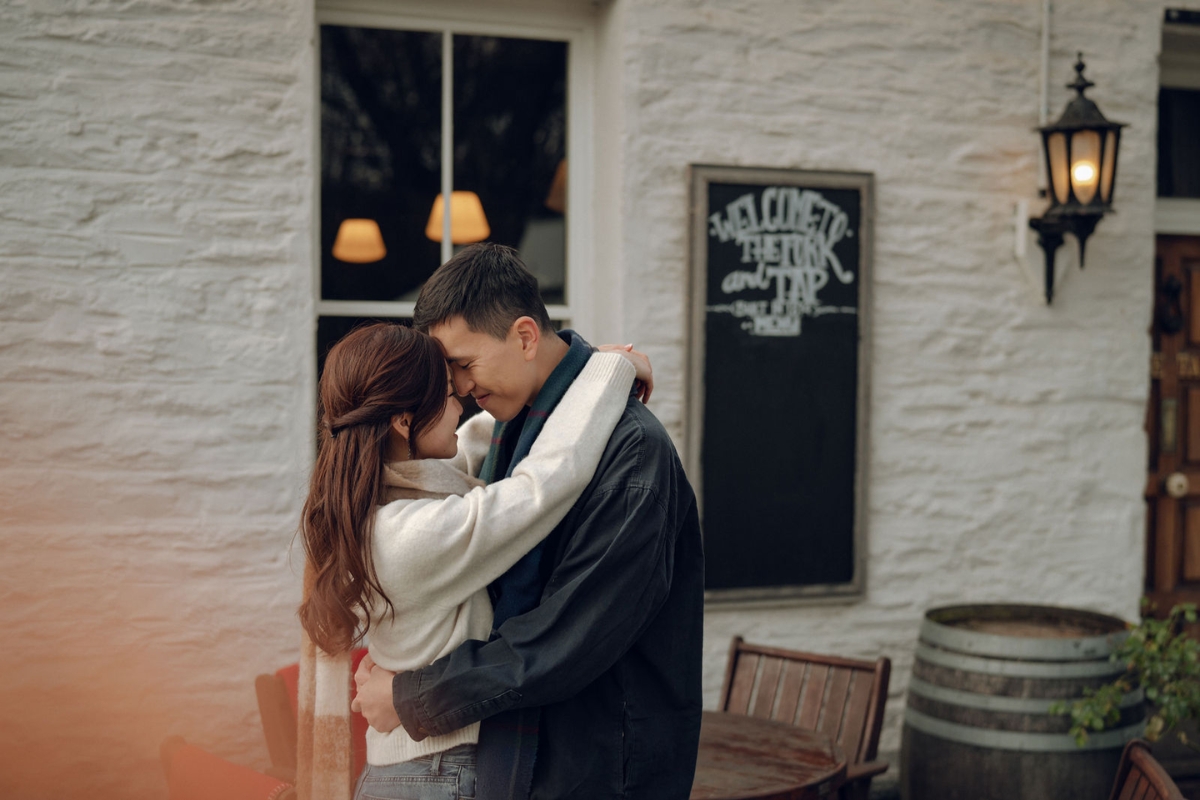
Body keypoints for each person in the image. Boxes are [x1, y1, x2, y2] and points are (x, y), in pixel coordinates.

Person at [353, 243, 705, 800]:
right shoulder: (515, 427)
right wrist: (601, 368)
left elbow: (568, 636)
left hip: (598, 771)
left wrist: (414, 696)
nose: (460, 391)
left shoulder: (632, 453)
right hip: (523, 761)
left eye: (463, 366)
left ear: (523, 336)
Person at [296, 320, 647, 800]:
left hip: (418, 770)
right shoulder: (407, 538)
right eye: (446, 394)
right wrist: (610, 370)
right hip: (435, 775)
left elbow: (479, 441)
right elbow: (543, 486)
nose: (461, 402)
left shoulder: (380, 507)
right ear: (403, 422)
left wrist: (559, 374)